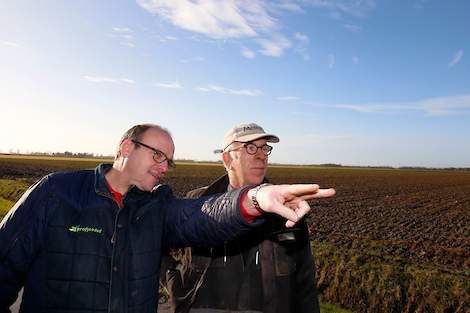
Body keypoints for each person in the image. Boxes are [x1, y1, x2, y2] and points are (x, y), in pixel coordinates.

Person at [0, 123, 335, 313]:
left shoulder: (156, 206)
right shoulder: (56, 193)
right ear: (126, 148)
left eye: (169, 160)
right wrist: (178, 288)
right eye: (157, 154)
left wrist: (257, 199)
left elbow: (202, 216)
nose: (164, 166)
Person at [165, 123, 322, 313]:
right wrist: (176, 290)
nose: (262, 155)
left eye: (265, 148)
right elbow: (153, 241)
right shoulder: (197, 202)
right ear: (226, 159)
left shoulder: (287, 208)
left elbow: (304, 280)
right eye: (251, 147)